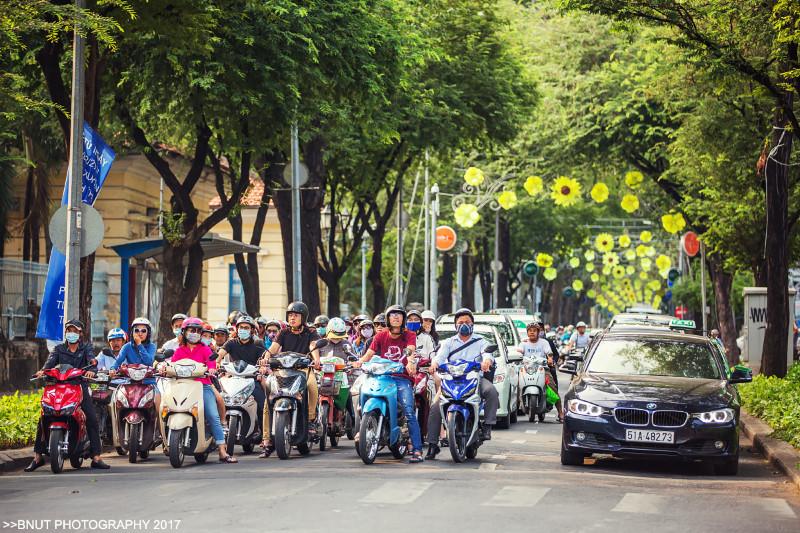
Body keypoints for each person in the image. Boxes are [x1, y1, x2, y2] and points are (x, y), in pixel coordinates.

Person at [26, 319, 110, 471]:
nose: (71, 333)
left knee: (91, 418)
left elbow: (92, 361)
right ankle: (38, 457)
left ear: (80, 333)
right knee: (44, 415)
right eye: (69, 330)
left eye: (74, 331)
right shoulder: (58, 349)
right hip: (58, 387)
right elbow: (49, 364)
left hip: (79, 386)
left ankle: (96, 457)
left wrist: (92, 370)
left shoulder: (86, 348)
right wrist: (42, 371)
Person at [425, 308, 499, 460]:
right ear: (455, 326)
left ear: (473, 324)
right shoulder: (448, 343)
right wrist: (434, 365)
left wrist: (486, 362)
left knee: (491, 391)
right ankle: (432, 445)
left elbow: (488, 354)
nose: (464, 325)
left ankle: (487, 427)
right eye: (460, 323)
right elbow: (439, 357)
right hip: (451, 381)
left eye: (467, 322)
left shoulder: (481, 341)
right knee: (435, 406)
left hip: (474, 379)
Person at [355, 305, 424, 463]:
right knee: (361, 395)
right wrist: (358, 362)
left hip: (401, 378)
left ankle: (417, 449)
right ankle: (363, 429)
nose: (396, 318)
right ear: (387, 318)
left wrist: (411, 362)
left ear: (403, 319)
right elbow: (369, 354)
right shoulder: (380, 336)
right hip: (381, 376)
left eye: (399, 315)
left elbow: (411, 350)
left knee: (409, 411)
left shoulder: (409, 335)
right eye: (392, 315)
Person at [166, 317, 237, 463]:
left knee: (212, 415)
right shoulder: (179, 350)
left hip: (202, 386)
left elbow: (211, 363)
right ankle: (165, 442)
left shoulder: (205, 349)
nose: (195, 333)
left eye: (198, 331)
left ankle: (222, 451)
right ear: (184, 332)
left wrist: (211, 370)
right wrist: (164, 369)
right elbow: (172, 366)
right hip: (181, 386)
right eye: (192, 330)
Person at [259, 302, 321, 458]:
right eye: (290, 315)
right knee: (269, 399)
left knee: (312, 385)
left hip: (303, 369)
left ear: (303, 317)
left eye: (296, 315)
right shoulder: (283, 332)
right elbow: (273, 348)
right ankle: (267, 440)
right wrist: (266, 358)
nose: (292, 318)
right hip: (282, 369)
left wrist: (317, 360)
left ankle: (311, 420)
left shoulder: (311, 332)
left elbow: (314, 346)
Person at [110, 317, 161, 438]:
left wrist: (139, 345)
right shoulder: (127, 347)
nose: (140, 333)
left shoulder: (152, 346)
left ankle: (161, 434)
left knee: (160, 405)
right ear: (132, 332)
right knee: (115, 401)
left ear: (148, 333)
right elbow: (118, 362)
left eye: (143, 331)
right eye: (136, 330)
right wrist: (112, 369)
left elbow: (148, 361)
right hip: (130, 383)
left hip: (149, 383)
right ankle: (117, 434)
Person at [217, 315, 267, 436]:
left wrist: (263, 365)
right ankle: (217, 432)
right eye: (240, 327)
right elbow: (220, 354)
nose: (243, 330)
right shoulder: (231, 343)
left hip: (252, 380)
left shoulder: (258, 343)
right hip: (233, 379)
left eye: (246, 327)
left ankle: (263, 433)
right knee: (218, 400)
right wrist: (217, 362)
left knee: (262, 404)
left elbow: (265, 357)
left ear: (252, 330)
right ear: (237, 329)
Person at [520, 321, 564, 422]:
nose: (532, 333)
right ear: (527, 332)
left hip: (543, 369)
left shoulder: (544, 342)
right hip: (526, 369)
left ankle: (561, 413)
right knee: (517, 384)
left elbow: (550, 353)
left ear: (539, 332)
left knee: (553, 387)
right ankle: (519, 403)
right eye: (530, 331)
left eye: (534, 331)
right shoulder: (523, 343)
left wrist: (549, 359)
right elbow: (519, 351)